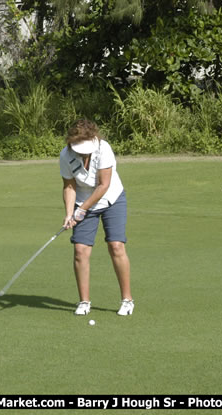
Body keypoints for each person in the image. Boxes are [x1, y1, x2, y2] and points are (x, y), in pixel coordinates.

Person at [59, 119, 134, 316]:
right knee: (80, 250)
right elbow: (69, 186)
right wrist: (69, 213)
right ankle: (84, 302)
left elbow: (104, 185)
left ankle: (127, 300)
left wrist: (82, 209)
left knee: (116, 245)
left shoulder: (104, 149)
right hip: (82, 201)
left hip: (111, 199)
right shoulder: (66, 155)